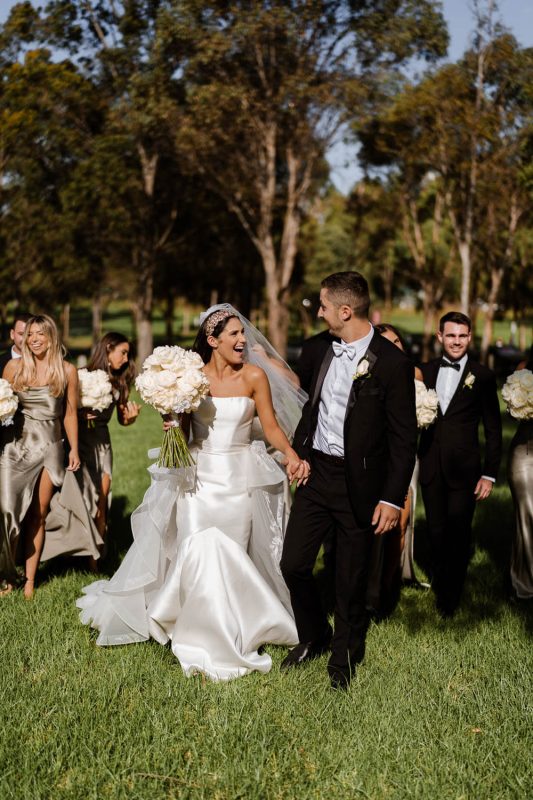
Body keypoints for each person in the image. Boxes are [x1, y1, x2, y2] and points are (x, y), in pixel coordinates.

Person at [77, 305, 308, 681]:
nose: (243, 340)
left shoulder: (254, 376)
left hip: (238, 481)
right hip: (197, 479)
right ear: (213, 341)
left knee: (232, 554)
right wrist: (170, 421)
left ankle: (232, 626)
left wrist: (293, 455)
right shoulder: (191, 377)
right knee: (196, 548)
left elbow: (270, 427)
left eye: (242, 333)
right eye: (234, 334)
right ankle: (192, 627)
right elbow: (183, 434)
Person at [280, 272, 418, 690]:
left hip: (360, 484)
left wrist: (391, 498)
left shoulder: (392, 363)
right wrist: (300, 453)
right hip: (317, 474)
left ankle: (343, 659)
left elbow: (403, 439)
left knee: (349, 578)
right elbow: (309, 407)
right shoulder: (318, 347)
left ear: (345, 311)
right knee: (293, 564)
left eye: (323, 306)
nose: (318, 312)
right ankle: (314, 635)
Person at [418, 311, 502, 617]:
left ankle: (449, 599)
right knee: (436, 531)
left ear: (470, 337)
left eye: (462, 336)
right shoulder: (424, 371)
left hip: (465, 469)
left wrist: (489, 474)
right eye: (451, 335)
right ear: (440, 336)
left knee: (459, 531)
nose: (456, 341)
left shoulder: (483, 376)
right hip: (431, 463)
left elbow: (493, 430)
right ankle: (442, 578)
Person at [42, 333, 140, 567]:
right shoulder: (81, 374)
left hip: (102, 445)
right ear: (108, 348)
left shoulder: (119, 383)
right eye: (123, 352)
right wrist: (79, 415)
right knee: (79, 497)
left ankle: (95, 560)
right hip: (78, 442)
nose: (126, 359)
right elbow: (63, 411)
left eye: (128, 355)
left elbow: (122, 419)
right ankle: (71, 548)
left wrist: (131, 419)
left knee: (101, 500)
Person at [0, 314, 80, 597]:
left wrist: (74, 448)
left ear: (51, 337)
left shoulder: (67, 370)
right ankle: (6, 574)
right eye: (30, 334)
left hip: (50, 448)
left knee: (38, 514)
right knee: (6, 509)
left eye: (39, 334)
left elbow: (70, 413)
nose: (33, 339)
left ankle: (30, 581)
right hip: (16, 447)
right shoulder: (14, 367)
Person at [374, 323, 426, 607]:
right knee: (376, 525)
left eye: (397, 342)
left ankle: (387, 585)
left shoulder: (414, 373)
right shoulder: (369, 373)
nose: (394, 347)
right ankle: (370, 583)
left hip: (406, 457)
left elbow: (423, 412)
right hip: (377, 458)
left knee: (400, 523)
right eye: (386, 342)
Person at [508, 346, 533, 600]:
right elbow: (511, 412)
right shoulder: (523, 371)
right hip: (525, 455)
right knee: (526, 514)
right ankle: (525, 584)